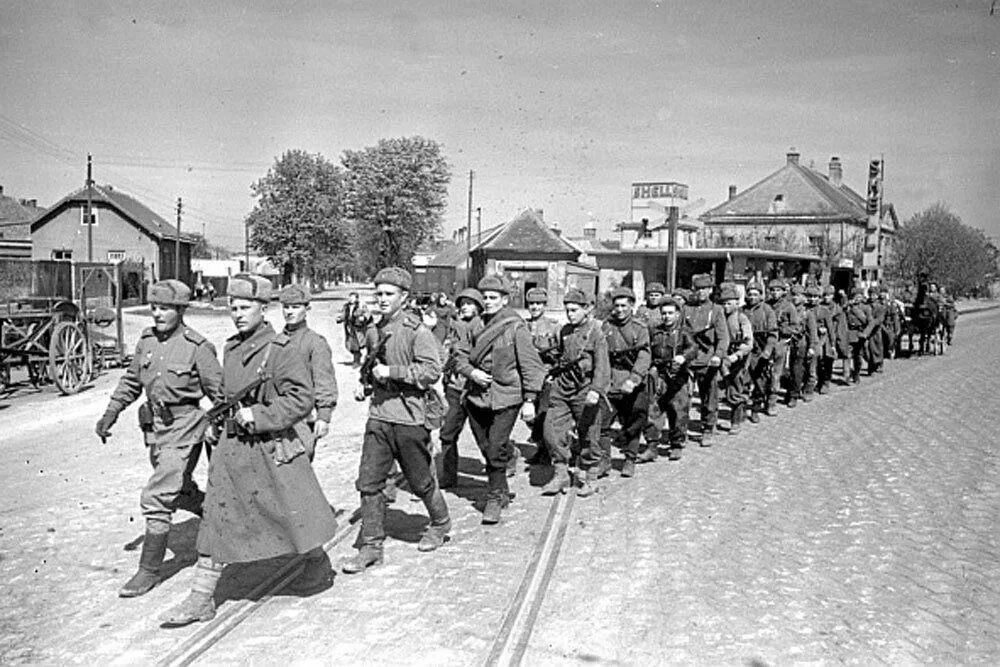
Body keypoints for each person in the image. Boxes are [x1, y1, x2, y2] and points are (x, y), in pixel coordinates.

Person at [160, 274, 338, 626]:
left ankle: (317, 564)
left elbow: (300, 400)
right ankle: (201, 599)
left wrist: (257, 414)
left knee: (288, 513)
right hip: (233, 447)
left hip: (270, 448)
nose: (238, 314)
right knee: (216, 512)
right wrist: (215, 422)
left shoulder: (280, 350)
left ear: (263, 308)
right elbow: (227, 395)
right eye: (233, 307)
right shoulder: (231, 348)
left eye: (245, 307)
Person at [95, 279, 224, 599]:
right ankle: (217, 514)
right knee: (178, 492)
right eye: (154, 307)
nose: (157, 314)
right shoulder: (146, 341)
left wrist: (217, 428)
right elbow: (131, 381)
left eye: (165, 308)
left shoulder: (198, 347)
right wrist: (111, 413)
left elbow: (221, 395)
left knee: (156, 495)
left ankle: (149, 570)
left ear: (180, 310)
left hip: (186, 427)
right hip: (156, 427)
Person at [342, 267, 449, 574]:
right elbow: (372, 364)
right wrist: (365, 386)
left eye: (389, 294)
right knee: (369, 481)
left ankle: (440, 523)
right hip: (379, 416)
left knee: (420, 481)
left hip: (409, 417)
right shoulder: (376, 329)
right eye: (378, 293)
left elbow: (431, 372)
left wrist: (394, 373)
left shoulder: (417, 331)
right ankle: (372, 546)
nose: (382, 299)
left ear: (404, 297)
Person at [453, 275, 545, 523]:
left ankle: (494, 497)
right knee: (487, 448)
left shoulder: (515, 327)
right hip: (475, 397)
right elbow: (459, 356)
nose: (488, 301)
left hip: (506, 397)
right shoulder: (472, 325)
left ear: (505, 300)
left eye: (494, 297)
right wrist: (471, 372)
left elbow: (531, 366)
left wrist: (529, 400)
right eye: (485, 297)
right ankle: (502, 486)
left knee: (494, 448)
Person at [541, 288, 610, 497]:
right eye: (567, 310)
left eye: (574, 310)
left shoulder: (596, 333)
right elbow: (560, 357)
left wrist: (596, 390)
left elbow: (602, 365)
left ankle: (591, 477)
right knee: (551, 430)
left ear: (587, 309)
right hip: (562, 388)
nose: (570, 314)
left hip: (585, 388)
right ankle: (561, 473)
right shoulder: (564, 331)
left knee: (589, 434)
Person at [279, 284, 338, 461]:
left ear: (307, 309)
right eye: (286, 307)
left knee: (300, 464)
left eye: (296, 307)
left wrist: (324, 416)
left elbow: (324, 380)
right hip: (277, 414)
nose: (290, 312)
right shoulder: (276, 341)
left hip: (303, 417)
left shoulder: (315, 343)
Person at [598, 287, 651, 478]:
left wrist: (634, 379)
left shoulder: (639, 328)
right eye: (617, 305)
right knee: (602, 423)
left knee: (633, 423)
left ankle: (629, 459)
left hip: (632, 382)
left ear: (631, 306)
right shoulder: (606, 326)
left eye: (624, 305)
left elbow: (644, 356)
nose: (619, 309)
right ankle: (604, 461)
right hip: (610, 381)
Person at [437, 288, 484, 489]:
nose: (465, 307)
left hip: (475, 389)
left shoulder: (482, 327)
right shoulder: (455, 326)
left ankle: (508, 455)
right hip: (455, 387)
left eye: (470, 303)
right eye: (462, 303)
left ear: (478, 307)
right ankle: (448, 476)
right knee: (447, 433)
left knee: (484, 437)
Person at [641, 297, 696, 461]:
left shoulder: (684, 332)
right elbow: (647, 349)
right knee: (653, 410)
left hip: (678, 375)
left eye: (670, 313)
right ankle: (652, 446)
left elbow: (693, 348)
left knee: (678, 411)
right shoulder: (654, 331)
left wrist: (683, 357)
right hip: (659, 375)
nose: (667, 317)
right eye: (664, 313)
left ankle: (677, 444)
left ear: (678, 314)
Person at [686, 273, 729, 444]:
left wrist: (718, 355)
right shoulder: (687, 309)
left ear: (710, 290)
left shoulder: (716, 310)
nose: (701, 292)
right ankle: (680, 431)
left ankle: (708, 428)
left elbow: (723, 337)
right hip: (689, 360)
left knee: (709, 397)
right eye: (698, 289)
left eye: (704, 288)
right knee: (683, 398)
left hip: (708, 359)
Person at [523, 287, 561, 466]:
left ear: (545, 305)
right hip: (527, 378)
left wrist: (554, 372)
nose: (535, 307)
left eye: (538, 304)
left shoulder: (554, 327)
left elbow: (561, 354)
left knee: (544, 415)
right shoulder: (522, 326)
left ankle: (547, 451)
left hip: (546, 377)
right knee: (529, 417)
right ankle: (540, 447)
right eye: (531, 304)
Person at [718, 283, 752, 435]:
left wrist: (737, 355)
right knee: (725, 385)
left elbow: (748, 342)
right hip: (722, 356)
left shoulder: (741, 318)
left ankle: (735, 421)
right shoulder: (719, 317)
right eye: (723, 303)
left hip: (738, 356)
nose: (726, 306)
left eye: (729, 303)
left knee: (735, 387)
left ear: (737, 303)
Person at [742, 281, 777, 423]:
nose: (752, 297)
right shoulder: (742, 310)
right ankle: (742, 409)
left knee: (760, 381)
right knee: (743, 380)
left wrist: (768, 351)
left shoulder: (767, 310)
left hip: (760, 349)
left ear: (761, 295)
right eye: (749, 294)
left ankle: (756, 408)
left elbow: (773, 333)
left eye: (755, 294)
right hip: (745, 349)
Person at [767, 278, 800, 414]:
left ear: (783, 292)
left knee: (776, 373)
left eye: (778, 290)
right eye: (772, 290)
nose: (775, 293)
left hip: (781, 342)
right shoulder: (766, 305)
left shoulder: (789, 307)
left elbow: (795, 327)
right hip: (766, 341)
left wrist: (782, 328)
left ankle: (772, 401)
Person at [845, 290, 875, 384]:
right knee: (847, 355)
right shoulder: (848, 307)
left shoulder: (866, 308)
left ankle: (856, 373)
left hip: (860, 334)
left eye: (859, 296)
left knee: (858, 357)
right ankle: (847, 375)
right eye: (855, 296)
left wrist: (865, 333)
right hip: (849, 333)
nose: (857, 298)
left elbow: (871, 322)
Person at [337, 292, 370, 366]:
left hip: (358, 328)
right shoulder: (346, 306)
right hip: (349, 327)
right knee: (349, 345)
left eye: (352, 297)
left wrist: (363, 318)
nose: (350, 299)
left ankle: (356, 361)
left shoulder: (361, 306)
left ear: (356, 298)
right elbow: (344, 314)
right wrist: (340, 319)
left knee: (356, 344)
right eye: (350, 297)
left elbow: (367, 314)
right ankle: (357, 355)